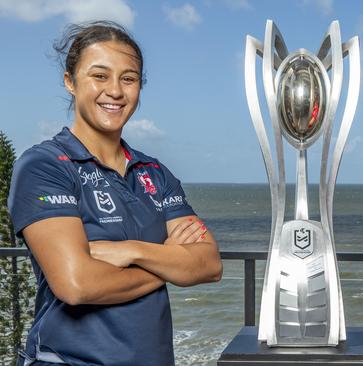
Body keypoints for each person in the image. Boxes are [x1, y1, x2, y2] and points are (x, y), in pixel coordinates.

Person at [8, 21, 223, 366]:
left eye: (128, 78)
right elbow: (76, 285)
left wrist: (131, 251)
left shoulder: (154, 172)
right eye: (99, 76)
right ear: (70, 82)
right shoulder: (45, 166)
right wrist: (168, 260)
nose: (115, 91)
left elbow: (209, 264)